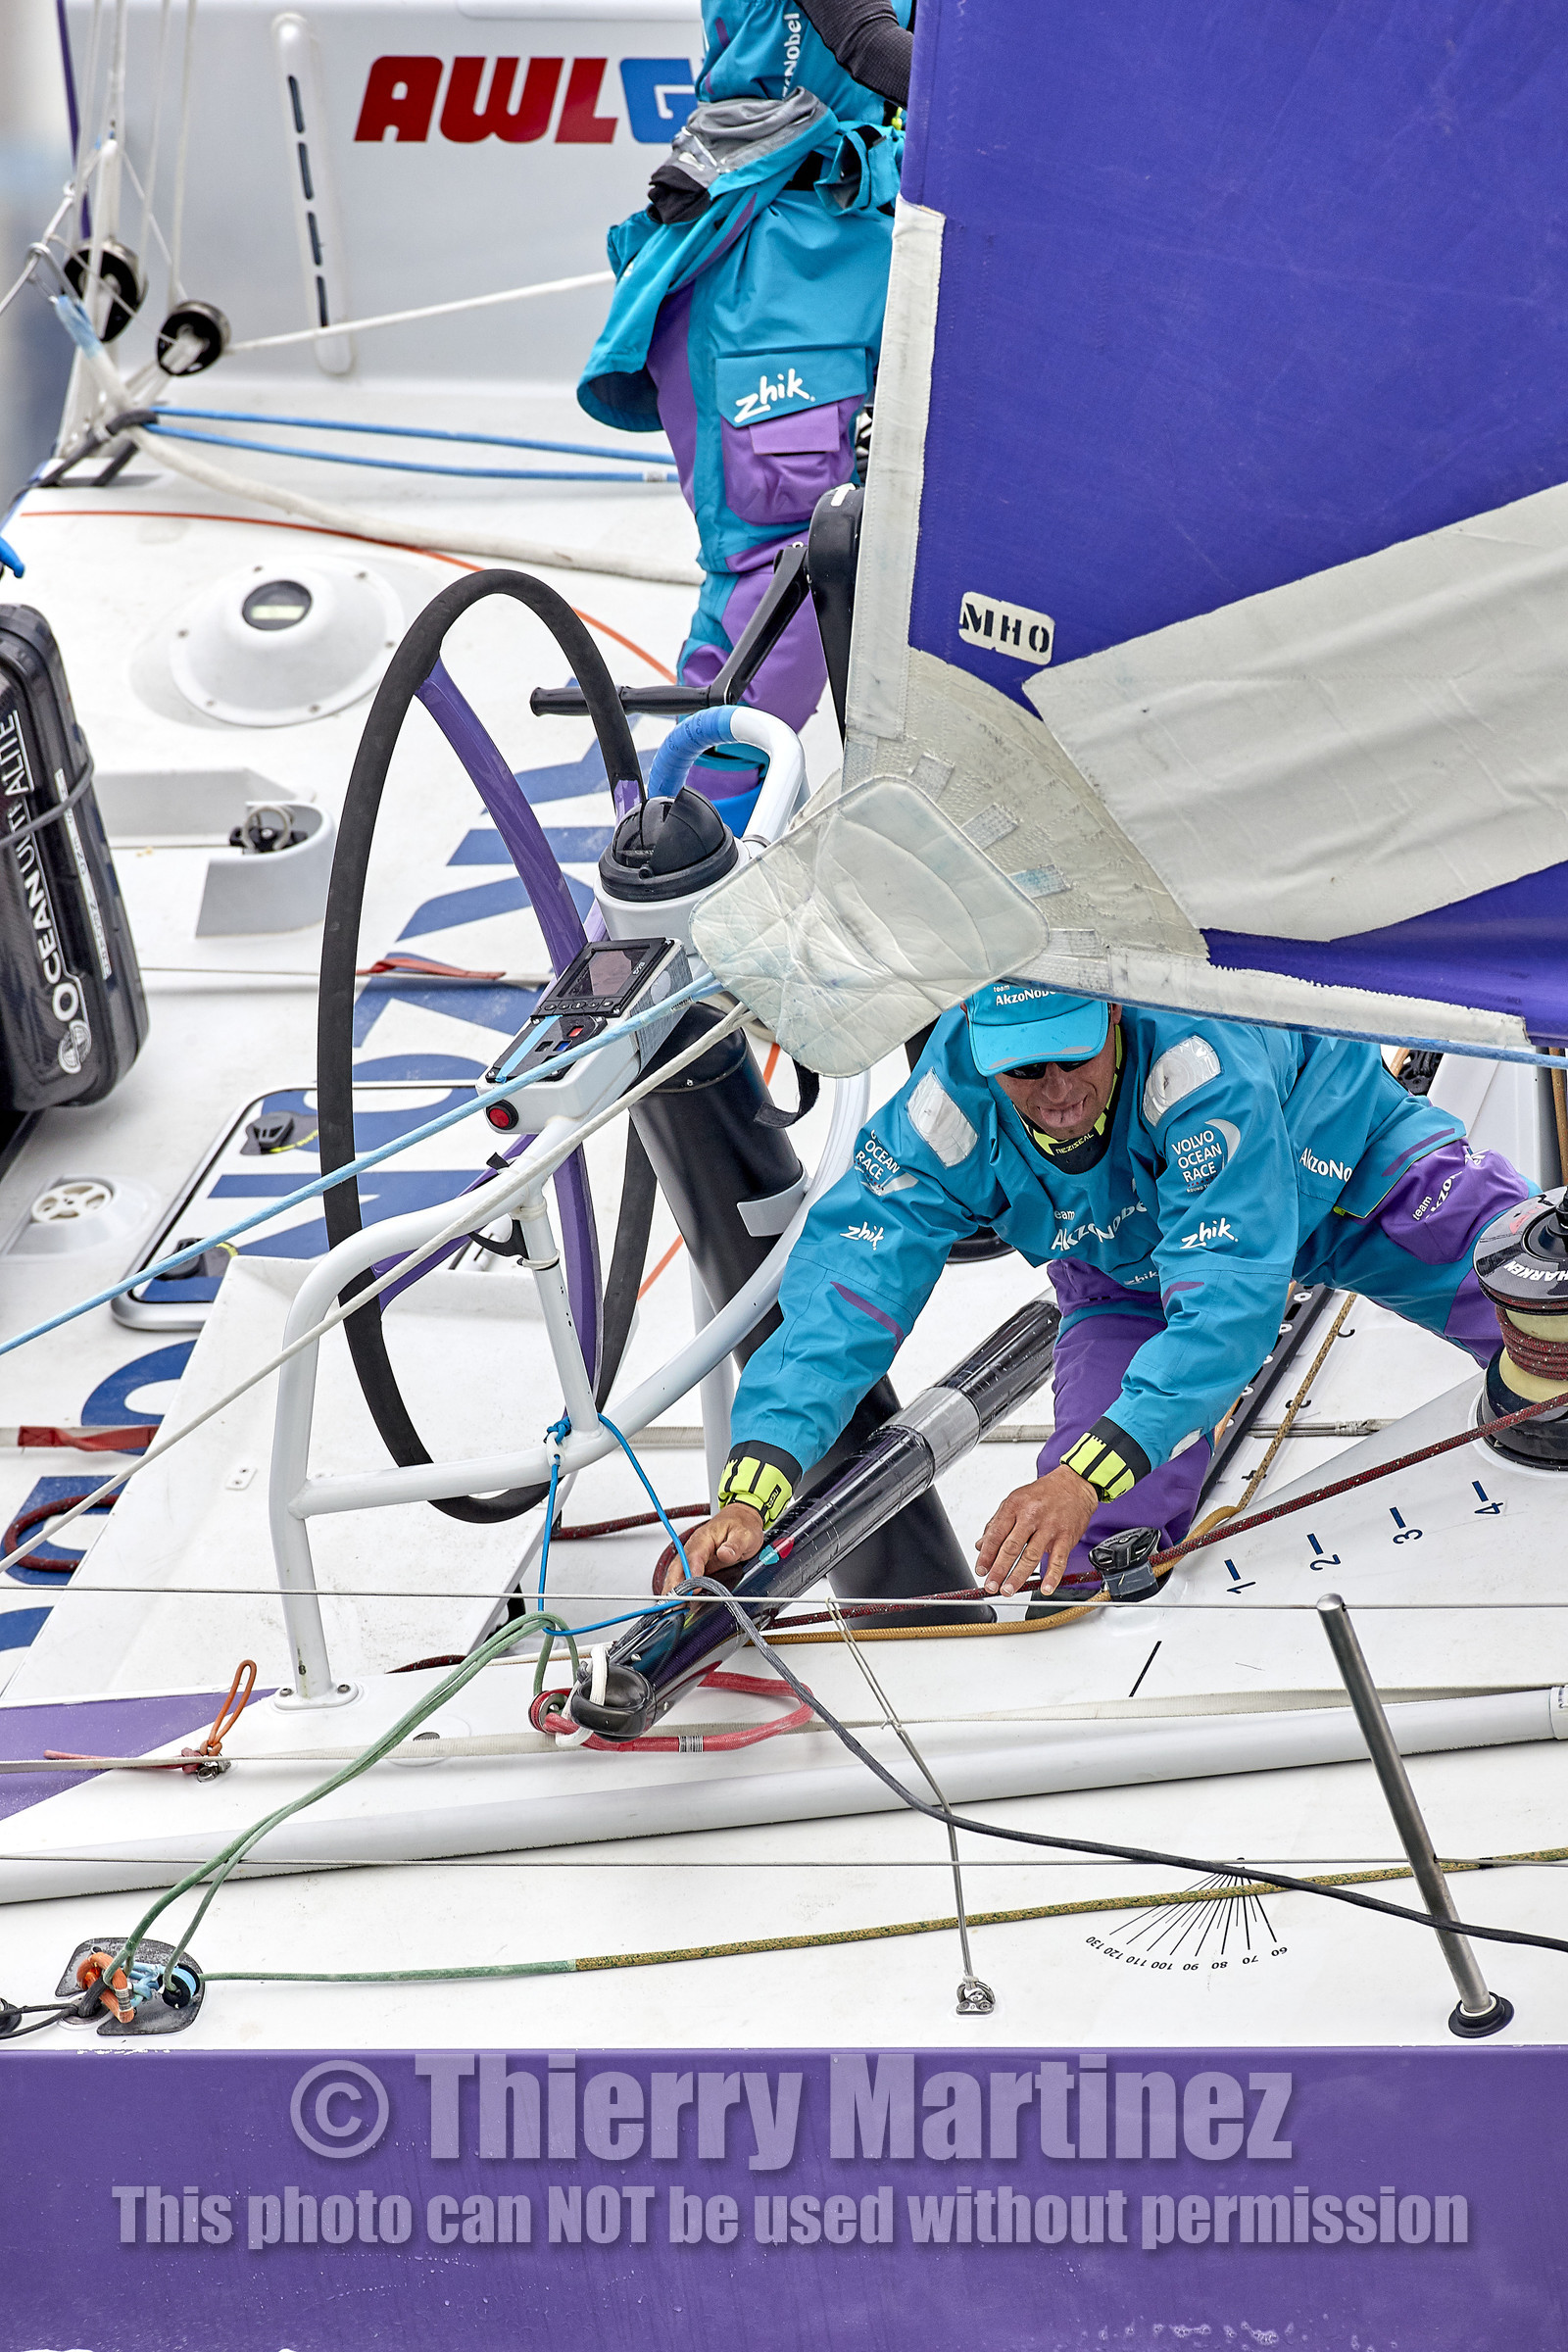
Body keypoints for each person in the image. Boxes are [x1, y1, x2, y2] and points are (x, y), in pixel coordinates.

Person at [669, 983, 1530, 1599]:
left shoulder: (1201, 1068)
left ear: (1114, 1013)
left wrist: (1083, 1470)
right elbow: (850, 1284)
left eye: (1074, 1056)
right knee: (1073, 1547)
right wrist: (755, 1483)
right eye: (1024, 1072)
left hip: (1347, 1176)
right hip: (1130, 1273)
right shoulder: (948, 1102)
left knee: (1547, 1303)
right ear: (978, 1051)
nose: (1056, 1093)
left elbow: (1232, 1297)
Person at [578, 0, 912, 817]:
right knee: (785, 571)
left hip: (869, 230)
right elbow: (869, 44)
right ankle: (676, 871)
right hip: (767, 261)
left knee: (879, 547)